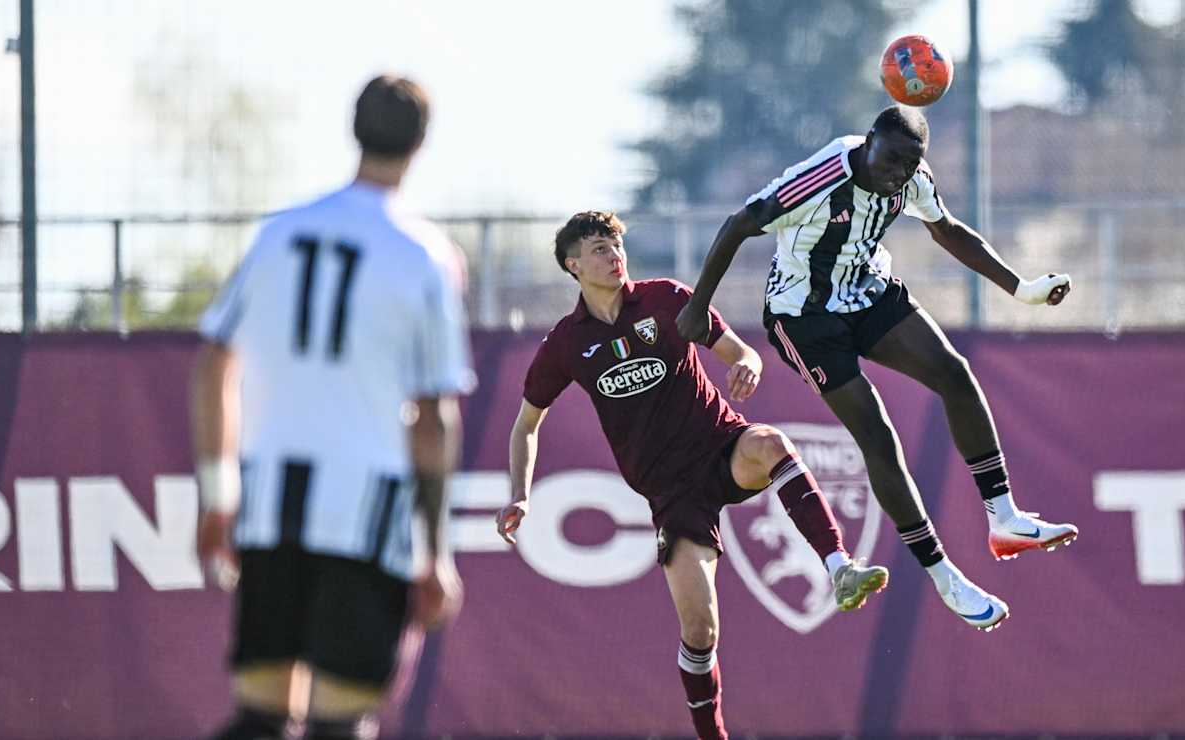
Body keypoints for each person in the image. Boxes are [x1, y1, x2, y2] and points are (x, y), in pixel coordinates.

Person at [676, 105, 1079, 633]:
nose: (897, 173)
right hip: (805, 317)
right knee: (878, 435)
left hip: (866, 292)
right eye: (889, 160)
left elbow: (949, 231)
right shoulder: (820, 179)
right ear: (868, 143)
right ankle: (944, 576)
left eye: (908, 165)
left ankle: (1004, 517)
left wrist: (1020, 289)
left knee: (954, 373)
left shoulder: (914, 176)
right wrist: (698, 304)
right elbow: (737, 226)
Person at [494, 211, 888, 740]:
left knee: (771, 444)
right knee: (700, 631)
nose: (613, 257)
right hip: (670, 491)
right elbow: (526, 425)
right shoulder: (567, 344)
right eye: (597, 250)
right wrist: (520, 494)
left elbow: (739, 350)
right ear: (573, 265)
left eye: (616, 246)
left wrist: (747, 362)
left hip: (719, 448)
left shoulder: (667, 299)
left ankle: (839, 566)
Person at [192, 75, 475, 740]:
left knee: (259, 717)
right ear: (421, 143)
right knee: (340, 724)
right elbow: (434, 419)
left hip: (270, 511)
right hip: (365, 516)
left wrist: (217, 494)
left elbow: (212, 364)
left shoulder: (278, 234)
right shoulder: (424, 255)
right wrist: (436, 551)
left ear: (352, 128)